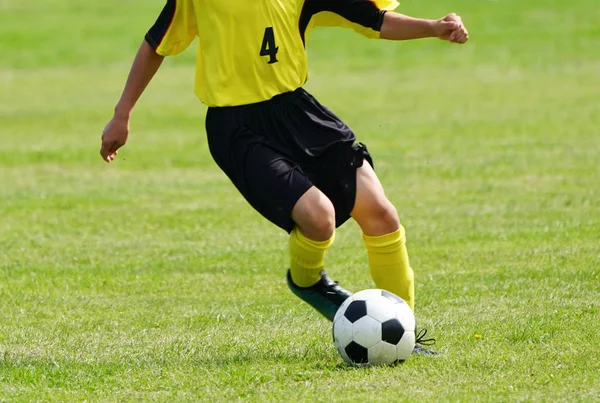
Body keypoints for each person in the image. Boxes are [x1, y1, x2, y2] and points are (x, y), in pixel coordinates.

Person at [100, 0, 468, 354]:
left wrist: (433, 28)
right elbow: (156, 44)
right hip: (236, 126)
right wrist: (122, 114)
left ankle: (404, 333)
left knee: (382, 215)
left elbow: (374, 20)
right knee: (319, 219)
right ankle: (308, 280)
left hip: (297, 112)